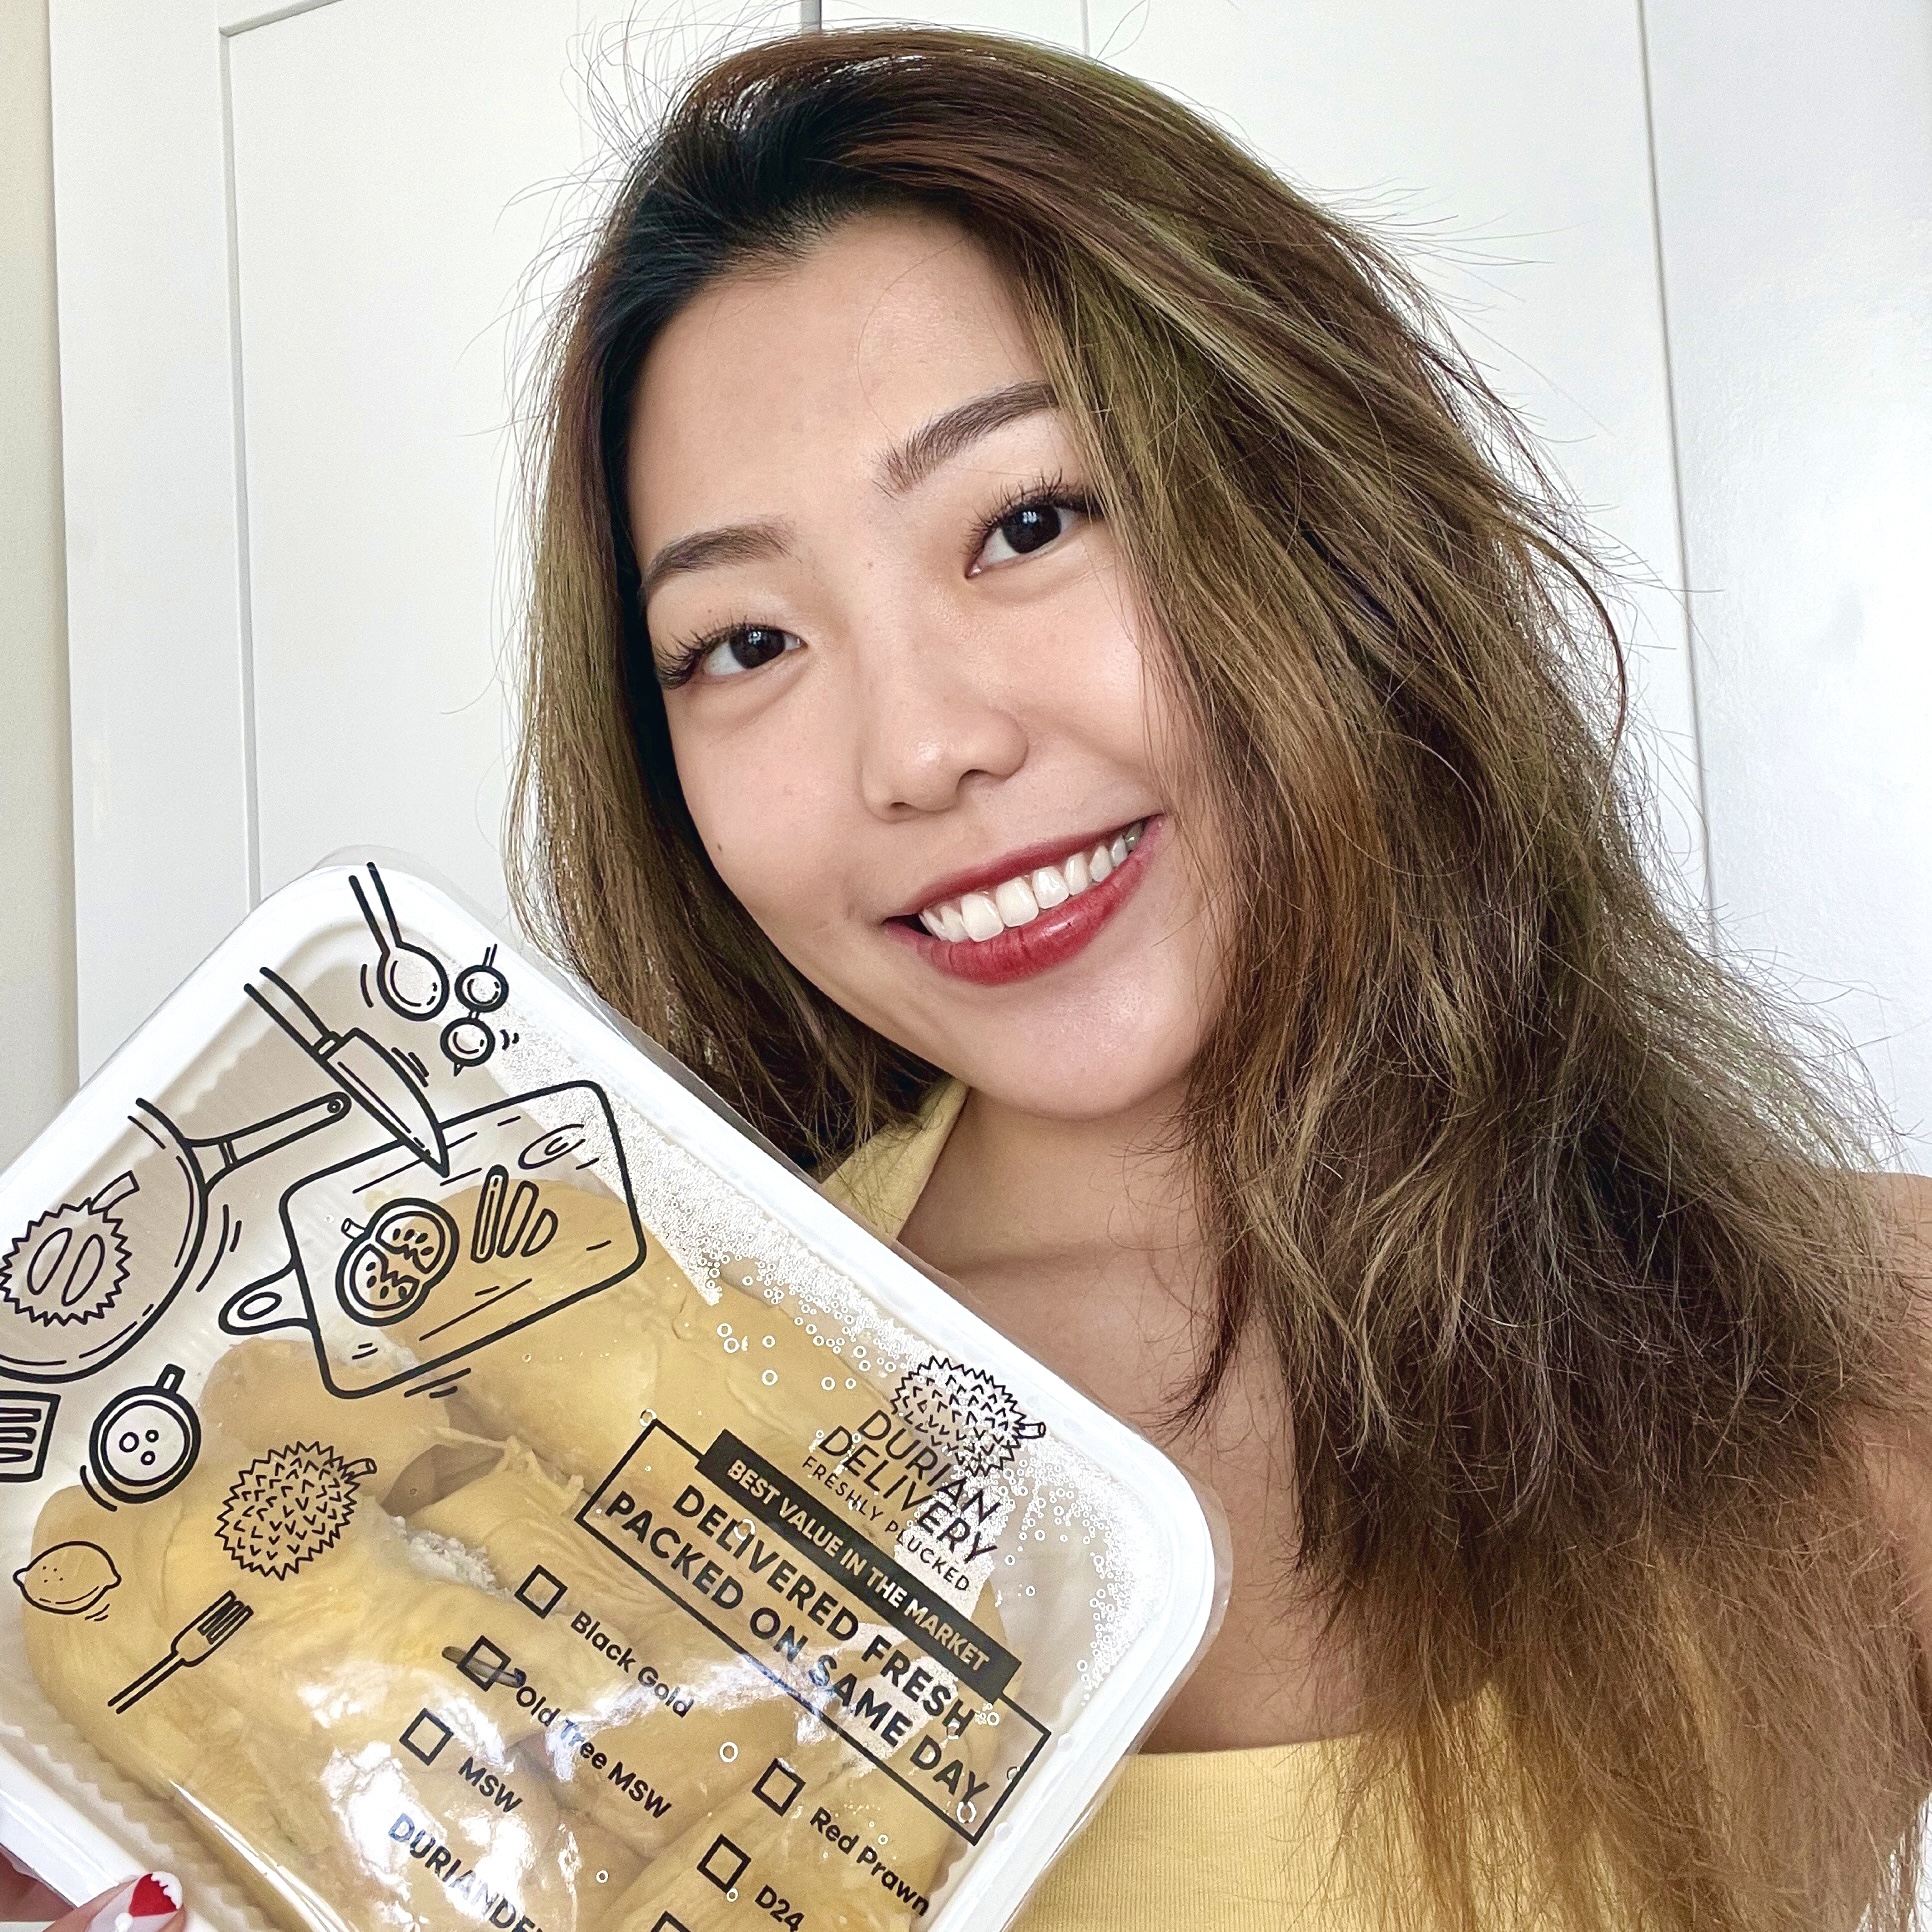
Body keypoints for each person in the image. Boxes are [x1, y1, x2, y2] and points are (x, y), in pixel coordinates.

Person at [512, 26, 1932, 1932]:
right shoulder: (596, 1432)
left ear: (1325, 520)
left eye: (1027, 524)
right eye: (745, 642)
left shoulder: (1863, 1347)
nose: (918, 750)